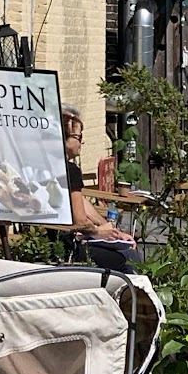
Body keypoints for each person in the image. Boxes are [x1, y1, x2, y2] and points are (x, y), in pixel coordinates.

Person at [61, 104, 142, 271]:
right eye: (79, 136)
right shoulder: (70, 171)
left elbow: (80, 202)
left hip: (60, 240)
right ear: (65, 138)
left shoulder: (47, 167)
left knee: (127, 250)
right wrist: (98, 232)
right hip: (66, 247)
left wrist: (111, 230)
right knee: (127, 258)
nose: (82, 141)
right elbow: (81, 222)